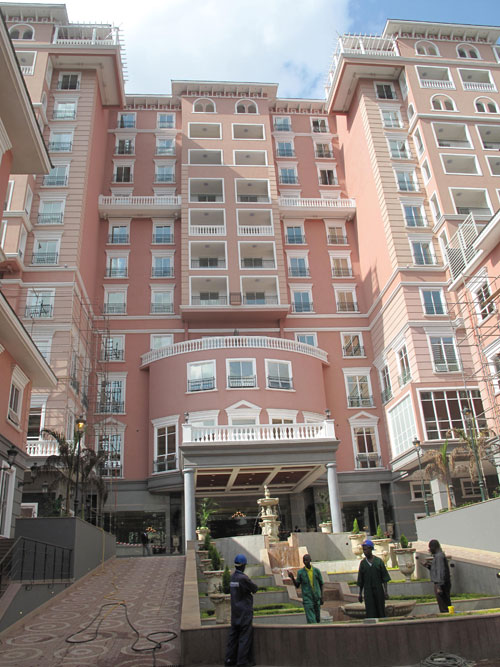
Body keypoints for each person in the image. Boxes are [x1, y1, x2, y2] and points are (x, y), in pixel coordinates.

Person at [225, 554, 258, 667]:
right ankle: (242, 661)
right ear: (243, 566)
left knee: (233, 637)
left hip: (235, 612)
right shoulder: (243, 578)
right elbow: (254, 588)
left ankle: (229, 660)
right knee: (244, 637)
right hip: (244, 613)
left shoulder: (232, 577)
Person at [357, 539, 391, 618]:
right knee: (370, 610)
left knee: (380, 609)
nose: (365, 552)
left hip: (378, 590)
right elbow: (361, 580)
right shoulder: (363, 563)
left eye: (366, 549)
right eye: (363, 550)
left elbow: (384, 578)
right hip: (368, 591)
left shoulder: (378, 562)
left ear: (371, 549)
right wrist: (360, 594)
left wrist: (386, 592)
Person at [287, 554, 324, 623]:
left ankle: (316, 629)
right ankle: (313, 628)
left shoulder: (316, 571)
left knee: (317, 618)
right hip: (307, 598)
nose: (305, 562)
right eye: (304, 560)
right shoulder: (300, 572)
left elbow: (321, 584)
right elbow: (297, 585)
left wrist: (321, 597)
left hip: (316, 598)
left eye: (306, 560)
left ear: (310, 560)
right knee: (311, 619)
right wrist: (292, 578)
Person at [423, 539, 451, 612]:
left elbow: (440, 571)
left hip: (441, 584)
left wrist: (439, 586)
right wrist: (428, 566)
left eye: (430, 548)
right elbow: (437, 570)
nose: (429, 550)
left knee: (444, 605)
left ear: (433, 547)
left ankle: (446, 615)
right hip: (441, 583)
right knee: (444, 603)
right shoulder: (438, 556)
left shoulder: (439, 556)